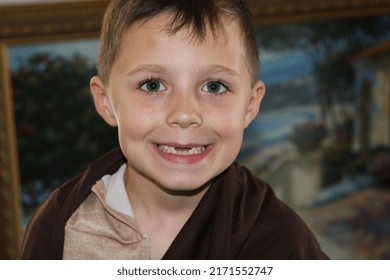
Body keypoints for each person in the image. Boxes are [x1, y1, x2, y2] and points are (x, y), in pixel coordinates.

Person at [19, 0, 328, 260]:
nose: (184, 114)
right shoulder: (61, 226)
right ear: (106, 102)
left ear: (249, 105)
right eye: (152, 85)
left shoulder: (282, 243)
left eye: (214, 86)